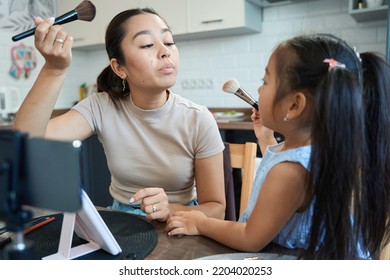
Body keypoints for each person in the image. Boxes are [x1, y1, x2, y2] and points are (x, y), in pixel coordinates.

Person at [166, 33, 390, 259]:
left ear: (294, 105)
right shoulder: (312, 150)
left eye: (266, 81)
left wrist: (202, 223)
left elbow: (250, 238)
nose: (260, 89)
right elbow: (281, 167)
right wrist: (266, 139)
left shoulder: (291, 172)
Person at [13, 8, 226, 222]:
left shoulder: (199, 118)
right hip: (122, 223)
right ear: (119, 68)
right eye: (147, 45)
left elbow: (216, 209)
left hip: (183, 223)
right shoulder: (102, 106)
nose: (165, 51)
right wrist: (54, 70)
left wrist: (170, 209)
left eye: (169, 42)